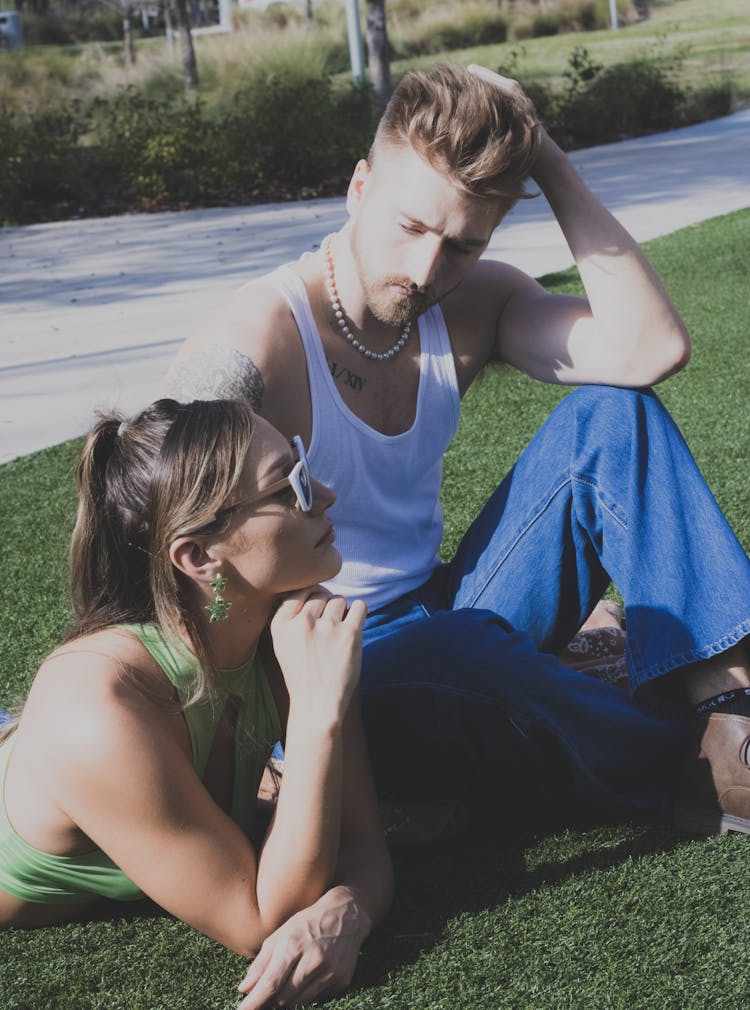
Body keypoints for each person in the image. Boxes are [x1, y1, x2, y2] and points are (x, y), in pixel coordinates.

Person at [164, 64, 750, 827]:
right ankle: (681, 766)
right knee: (466, 653)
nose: (425, 271)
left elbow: (650, 349)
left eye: (462, 245)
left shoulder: (473, 304)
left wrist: (547, 160)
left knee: (614, 417)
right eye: (410, 227)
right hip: (325, 660)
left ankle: (733, 720)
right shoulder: (258, 340)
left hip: (445, 604)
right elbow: (157, 528)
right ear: (359, 187)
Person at [0, 398, 393, 1009]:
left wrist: (350, 908)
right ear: (200, 558)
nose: (325, 493)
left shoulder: (288, 624)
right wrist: (318, 714)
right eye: (288, 486)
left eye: (303, 464)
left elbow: (366, 848)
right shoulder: (99, 712)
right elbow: (266, 919)